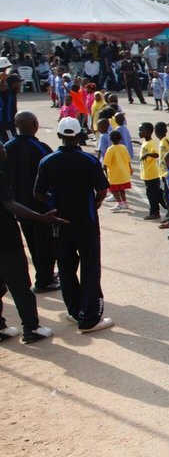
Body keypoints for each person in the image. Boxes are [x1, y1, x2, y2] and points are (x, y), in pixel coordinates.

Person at [34, 117, 113, 333]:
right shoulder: (88, 161)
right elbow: (102, 190)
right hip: (86, 222)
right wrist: (95, 203)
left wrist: (54, 203)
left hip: (59, 223)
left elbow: (38, 193)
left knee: (66, 268)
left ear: (59, 136)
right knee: (90, 268)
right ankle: (88, 318)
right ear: (79, 136)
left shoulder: (47, 161)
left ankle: (74, 310)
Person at [0, 142, 65, 344]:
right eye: (1, 149)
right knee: (20, 286)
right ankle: (31, 328)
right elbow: (9, 204)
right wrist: (40, 217)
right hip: (6, 241)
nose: (4, 150)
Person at [4, 111, 57, 292]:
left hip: (18, 206)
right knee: (46, 245)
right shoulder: (41, 148)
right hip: (41, 206)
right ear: (35, 124)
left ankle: (44, 274)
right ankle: (44, 279)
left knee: (33, 243)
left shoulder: (7, 147)